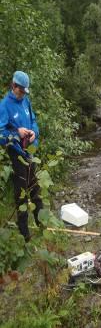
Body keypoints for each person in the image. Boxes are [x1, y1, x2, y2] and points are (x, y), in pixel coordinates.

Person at [0, 71, 43, 241]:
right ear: (14, 86)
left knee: (35, 189)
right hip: (17, 155)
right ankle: (24, 233)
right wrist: (17, 133)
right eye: (21, 91)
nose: (23, 94)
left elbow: (34, 121)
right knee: (21, 193)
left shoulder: (26, 101)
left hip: (30, 152)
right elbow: (1, 133)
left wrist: (34, 133)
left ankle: (41, 223)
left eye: (25, 92)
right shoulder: (4, 106)